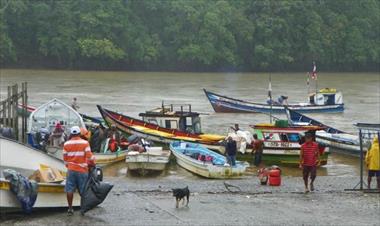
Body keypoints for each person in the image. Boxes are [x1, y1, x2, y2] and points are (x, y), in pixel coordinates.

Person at [63, 126, 95, 216]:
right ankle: (83, 209)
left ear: (71, 133)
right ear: (79, 133)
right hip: (82, 170)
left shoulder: (66, 144)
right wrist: (93, 162)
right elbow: (89, 156)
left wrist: (69, 166)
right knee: (83, 190)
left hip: (71, 169)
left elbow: (65, 159)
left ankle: (70, 209)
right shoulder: (85, 143)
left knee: (69, 189)